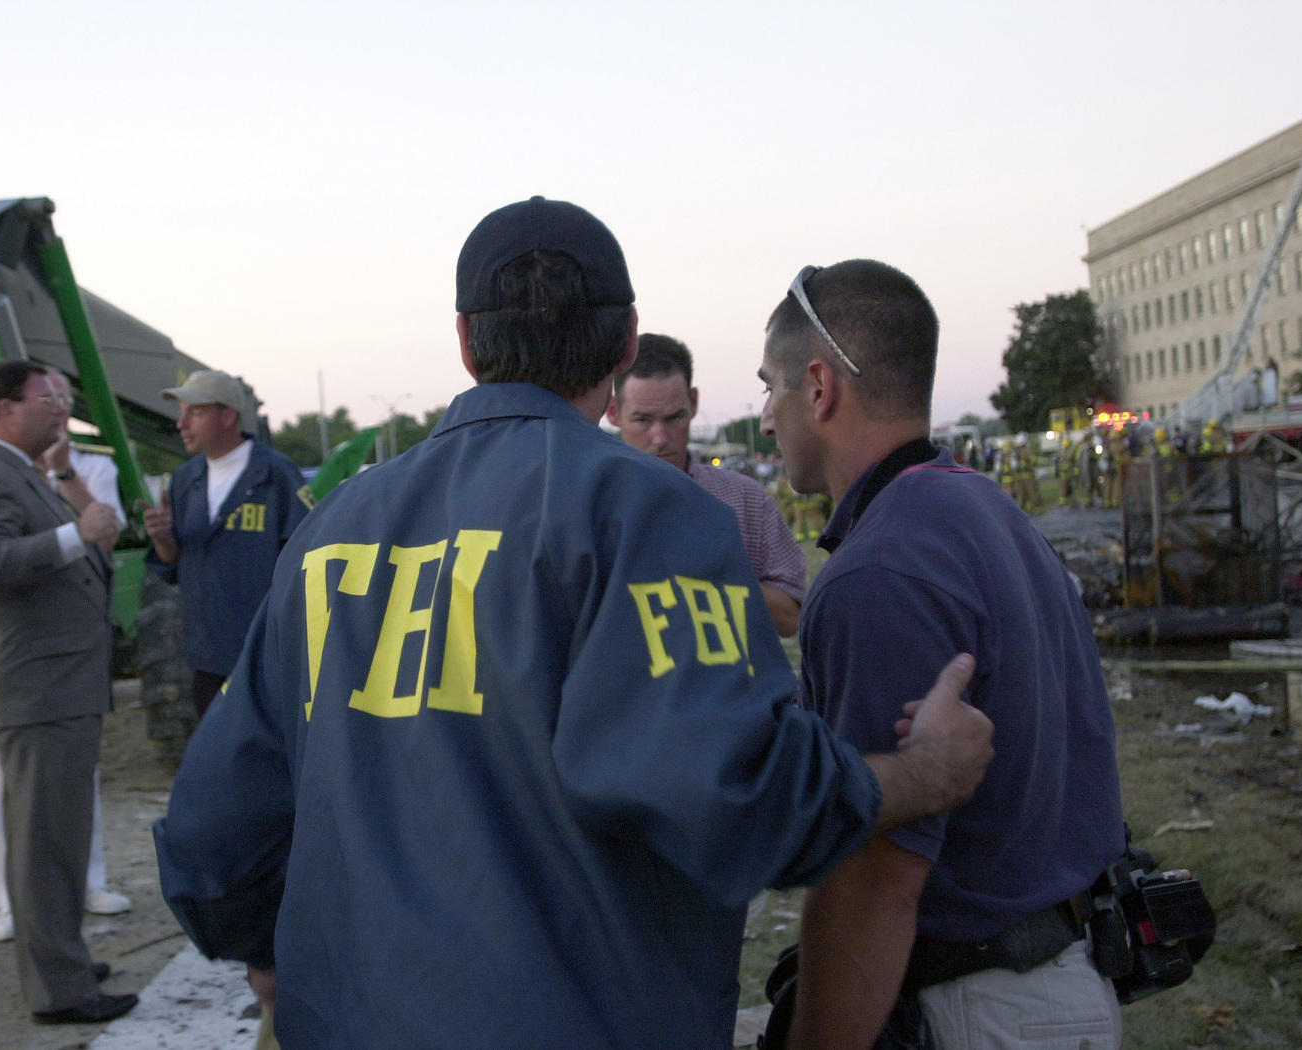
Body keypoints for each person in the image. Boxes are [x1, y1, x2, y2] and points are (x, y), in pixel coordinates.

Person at [155, 196, 995, 1049]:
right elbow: (739, 798)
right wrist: (927, 772)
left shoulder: (330, 529)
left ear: (465, 341)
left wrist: (275, 948)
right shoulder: (643, 512)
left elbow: (212, 841)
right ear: (627, 342)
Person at [756, 259, 1125, 1050]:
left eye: (770, 387)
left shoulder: (880, 572)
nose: (763, 416)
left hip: (976, 1008)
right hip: (1051, 984)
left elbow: (877, 876)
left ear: (819, 388)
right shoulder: (985, 508)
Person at [0, 359, 137, 1025]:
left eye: (63, 397)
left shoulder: (26, 470)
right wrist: (71, 535)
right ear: (5, 407)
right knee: (44, 846)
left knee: (58, 839)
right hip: (38, 687)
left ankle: (64, 959)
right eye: (47, 398)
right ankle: (60, 989)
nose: (62, 408)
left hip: (59, 684)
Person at [607, 333, 807, 636]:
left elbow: (792, 616)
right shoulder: (590, 505)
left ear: (694, 402)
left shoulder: (745, 499)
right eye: (643, 420)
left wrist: (709, 576)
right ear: (613, 412)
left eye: (675, 418)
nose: (660, 438)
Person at [142, 369, 313, 720]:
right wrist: (162, 538)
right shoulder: (184, 480)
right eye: (182, 412)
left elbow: (306, 560)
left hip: (265, 657)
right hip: (207, 658)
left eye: (196, 413)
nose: (181, 424)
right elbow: (172, 564)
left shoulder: (275, 475)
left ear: (228, 416)